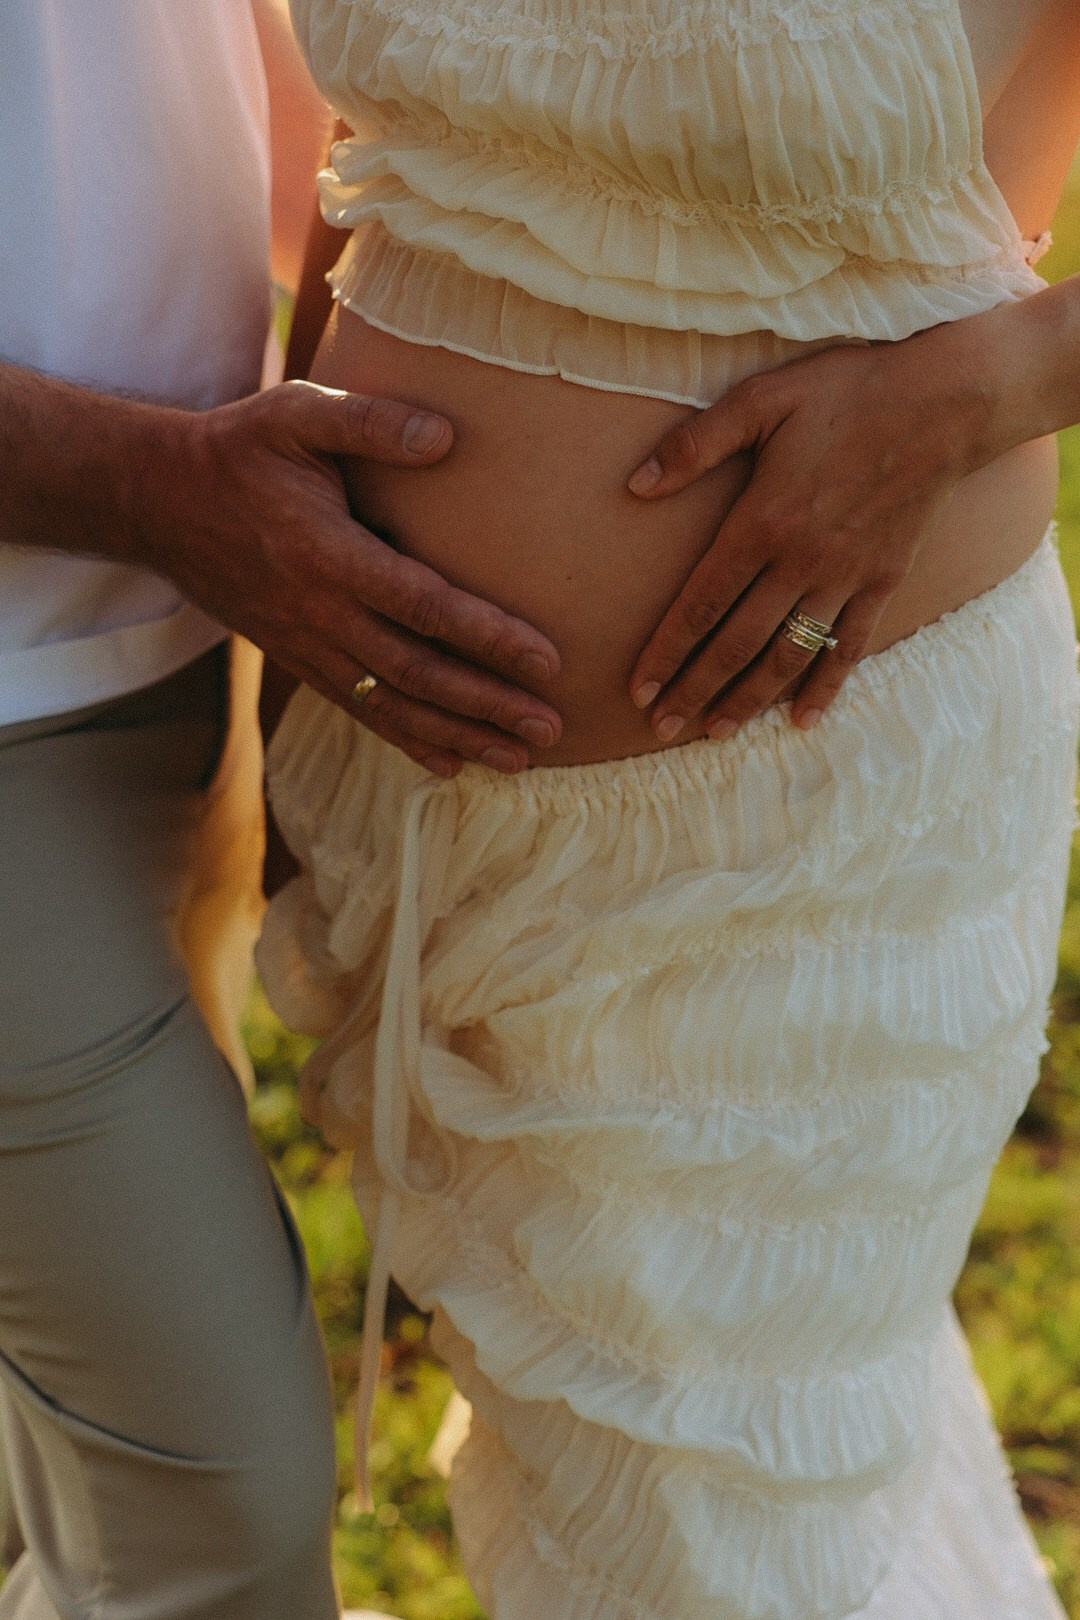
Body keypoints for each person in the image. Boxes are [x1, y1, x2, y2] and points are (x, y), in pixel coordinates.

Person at [258, 0, 1080, 1615]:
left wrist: (982, 386)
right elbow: (384, 177)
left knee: (730, 1535)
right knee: (660, 1500)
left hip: (816, 832)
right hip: (412, 801)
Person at [0, 2, 566, 1616]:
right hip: (49, 668)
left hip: (164, 644)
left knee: (92, 1465)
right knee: (212, 1518)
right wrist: (158, 487)